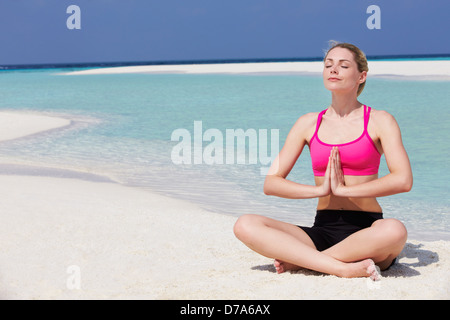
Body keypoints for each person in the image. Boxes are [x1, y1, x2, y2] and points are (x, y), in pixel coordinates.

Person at [233, 42, 413, 280]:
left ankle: (306, 261)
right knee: (245, 224)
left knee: (394, 230)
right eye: (328, 65)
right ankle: (339, 266)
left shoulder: (380, 120)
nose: (333, 70)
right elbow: (271, 183)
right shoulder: (307, 123)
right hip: (322, 228)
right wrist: (320, 189)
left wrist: (346, 189)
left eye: (343, 65)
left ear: (362, 76)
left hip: (368, 229)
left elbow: (403, 180)